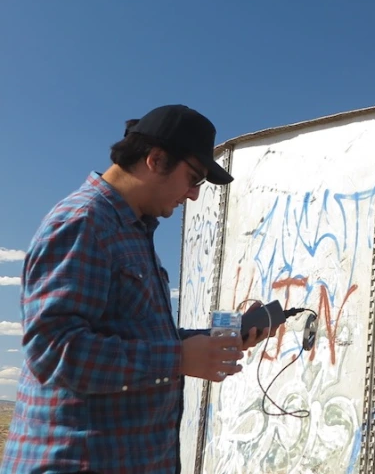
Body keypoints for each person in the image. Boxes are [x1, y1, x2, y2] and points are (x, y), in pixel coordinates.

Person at [0, 105, 270, 474]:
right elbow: (54, 350)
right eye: (193, 178)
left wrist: (209, 342)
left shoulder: (130, 230)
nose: (193, 195)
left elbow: (133, 336)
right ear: (156, 160)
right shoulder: (84, 222)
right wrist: (178, 358)